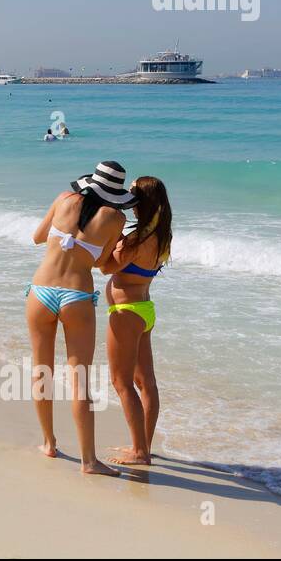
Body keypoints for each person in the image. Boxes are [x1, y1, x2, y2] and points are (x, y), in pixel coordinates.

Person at [25, 160, 135, 475]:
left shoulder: (63, 199)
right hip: (77, 297)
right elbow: (101, 263)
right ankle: (89, 461)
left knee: (40, 371)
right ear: (115, 194)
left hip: (40, 291)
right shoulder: (115, 217)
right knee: (80, 381)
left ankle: (48, 443)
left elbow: (37, 237)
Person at [101, 176, 170, 466]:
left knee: (121, 381)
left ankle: (139, 452)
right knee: (146, 382)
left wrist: (112, 234)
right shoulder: (161, 236)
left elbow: (105, 266)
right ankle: (143, 445)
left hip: (126, 311)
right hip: (145, 309)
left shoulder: (134, 238)